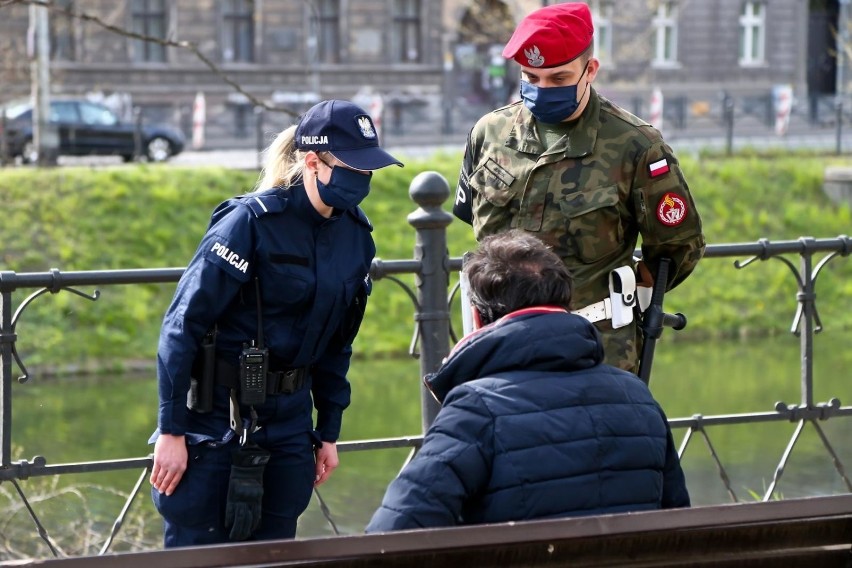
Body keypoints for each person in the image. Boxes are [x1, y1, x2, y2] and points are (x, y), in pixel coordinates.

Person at [149, 99, 403, 547]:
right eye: (352, 168)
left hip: (290, 423)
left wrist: (328, 432)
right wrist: (171, 431)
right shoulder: (249, 223)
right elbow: (181, 326)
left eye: (368, 170)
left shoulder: (357, 239)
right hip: (215, 420)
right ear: (311, 162)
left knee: (276, 550)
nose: (362, 180)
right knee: (197, 551)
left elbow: (337, 343)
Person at [365, 230, 689, 532]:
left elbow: (391, 534)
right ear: (567, 306)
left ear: (477, 318)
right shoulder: (637, 396)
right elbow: (677, 524)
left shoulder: (476, 409)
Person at [452, 2, 705, 373]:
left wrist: (631, 295)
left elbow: (678, 247)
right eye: (531, 78)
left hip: (594, 346)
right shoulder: (489, 133)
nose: (542, 90)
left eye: (558, 79)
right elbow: (475, 227)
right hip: (502, 344)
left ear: (590, 70)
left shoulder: (635, 145)